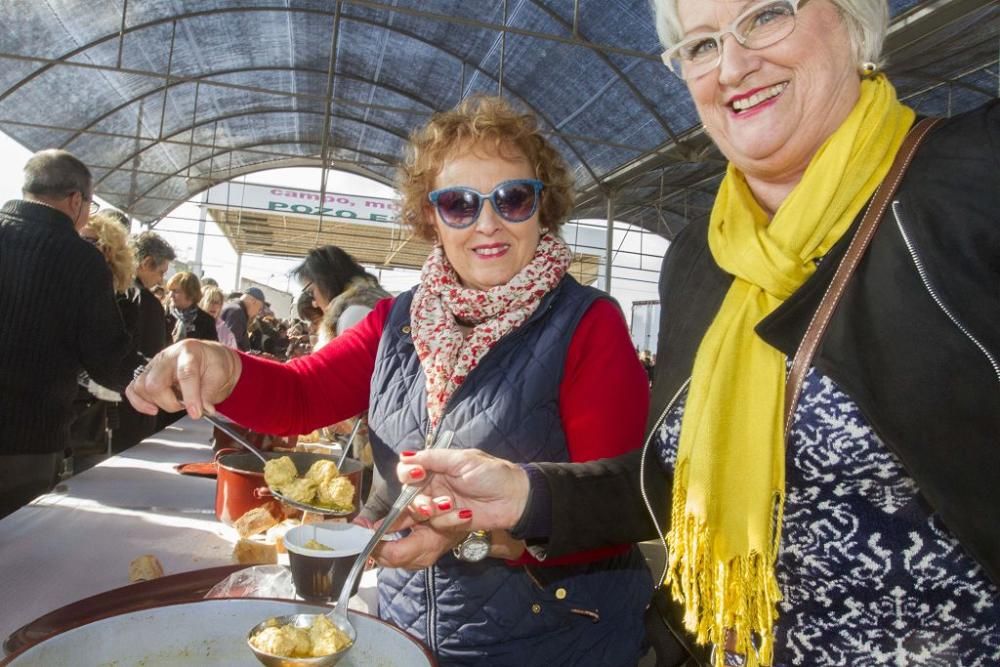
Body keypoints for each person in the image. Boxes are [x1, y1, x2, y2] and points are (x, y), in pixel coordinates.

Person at [389, 2, 1000, 665]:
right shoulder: (701, 256)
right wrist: (526, 494)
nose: (734, 65)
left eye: (766, 15)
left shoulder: (972, 177)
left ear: (854, 22)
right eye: (701, 46)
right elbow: (670, 480)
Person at [128, 96, 654, 666]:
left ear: (541, 207)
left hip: (552, 640)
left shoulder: (587, 323)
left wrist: (481, 536)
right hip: (410, 632)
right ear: (431, 217)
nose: (488, 222)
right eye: (458, 203)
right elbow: (302, 396)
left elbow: (622, 505)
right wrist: (222, 365)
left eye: (513, 198)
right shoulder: (399, 318)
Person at [0, 149, 129, 517]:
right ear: (76, 200)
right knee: (15, 558)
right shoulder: (81, 260)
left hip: (28, 443)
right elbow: (107, 356)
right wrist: (159, 379)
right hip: (27, 445)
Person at [111, 231, 176, 452]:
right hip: (133, 405)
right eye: (161, 272)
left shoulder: (105, 289)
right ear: (146, 263)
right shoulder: (145, 302)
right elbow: (155, 359)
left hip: (101, 406)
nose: (161, 280)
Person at [292, 245, 390, 349]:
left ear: (325, 282)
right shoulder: (371, 301)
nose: (314, 303)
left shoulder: (354, 314)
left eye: (311, 292)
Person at [165, 272, 218, 343]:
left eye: (176, 291)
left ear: (191, 293)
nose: (171, 295)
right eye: (170, 291)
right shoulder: (163, 316)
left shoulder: (206, 321)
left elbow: (210, 350)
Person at [219, 287, 266, 351]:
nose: (258, 312)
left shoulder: (234, 307)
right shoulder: (237, 312)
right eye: (259, 309)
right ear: (253, 301)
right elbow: (230, 346)